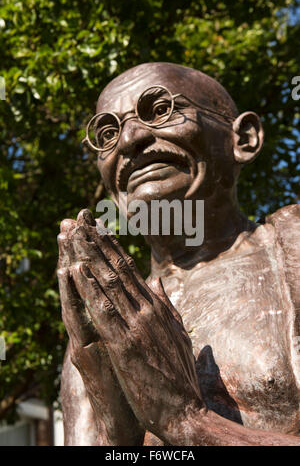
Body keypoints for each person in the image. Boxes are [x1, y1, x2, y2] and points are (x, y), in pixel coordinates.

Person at [57, 62, 300, 446]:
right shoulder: (106, 313)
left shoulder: (291, 247)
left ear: (244, 138)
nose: (130, 139)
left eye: (160, 110)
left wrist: (189, 424)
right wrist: (116, 428)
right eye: (107, 133)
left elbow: (183, 423)